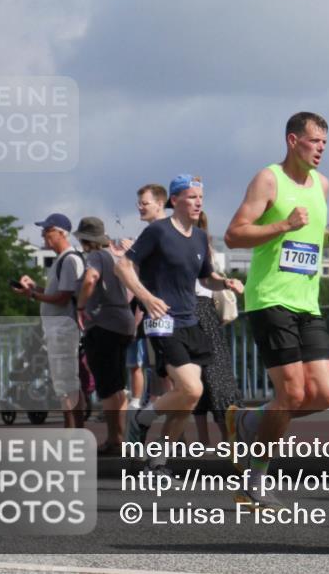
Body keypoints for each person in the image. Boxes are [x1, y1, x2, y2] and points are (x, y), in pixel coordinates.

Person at [223, 112, 329, 506]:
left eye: (325, 144)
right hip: (269, 298)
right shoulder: (268, 179)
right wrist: (282, 225)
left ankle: (247, 420)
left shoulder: (323, 185)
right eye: (314, 142)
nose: (320, 149)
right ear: (293, 140)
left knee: (326, 395)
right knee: (293, 394)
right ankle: (255, 478)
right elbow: (233, 235)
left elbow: (310, 242)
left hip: (307, 302)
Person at [116, 175, 244, 477]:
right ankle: (142, 419)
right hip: (162, 320)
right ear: (175, 201)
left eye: (201, 197)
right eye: (191, 197)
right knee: (191, 387)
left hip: (191, 320)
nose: (198, 202)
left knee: (189, 398)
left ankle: (157, 462)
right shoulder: (158, 232)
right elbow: (121, 265)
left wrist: (224, 282)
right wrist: (147, 298)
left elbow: (205, 277)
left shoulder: (199, 238)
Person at [14, 213, 86, 428]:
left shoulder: (69, 259)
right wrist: (34, 288)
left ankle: (72, 430)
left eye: (48, 231)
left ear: (61, 233)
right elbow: (58, 293)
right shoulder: (63, 260)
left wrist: (33, 295)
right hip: (60, 328)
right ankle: (73, 429)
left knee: (66, 382)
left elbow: (63, 297)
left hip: (64, 329)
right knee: (64, 382)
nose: (43, 235)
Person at [74, 216, 136, 454]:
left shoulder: (95, 257)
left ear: (85, 240)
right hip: (123, 323)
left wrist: (81, 306)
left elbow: (91, 279)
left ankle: (115, 440)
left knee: (107, 386)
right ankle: (119, 437)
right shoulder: (114, 256)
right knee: (118, 384)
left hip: (104, 325)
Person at [190, 210, 243, 444]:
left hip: (196, 309)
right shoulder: (205, 243)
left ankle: (210, 439)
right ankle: (227, 437)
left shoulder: (196, 244)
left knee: (206, 376)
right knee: (213, 376)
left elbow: (206, 280)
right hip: (203, 310)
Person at [125, 183, 168, 409]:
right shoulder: (156, 231)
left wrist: (131, 254)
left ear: (160, 204)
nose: (140, 207)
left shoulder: (159, 231)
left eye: (144, 203)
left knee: (167, 371)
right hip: (156, 311)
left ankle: (168, 431)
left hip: (163, 310)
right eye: (138, 203)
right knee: (158, 368)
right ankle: (172, 436)